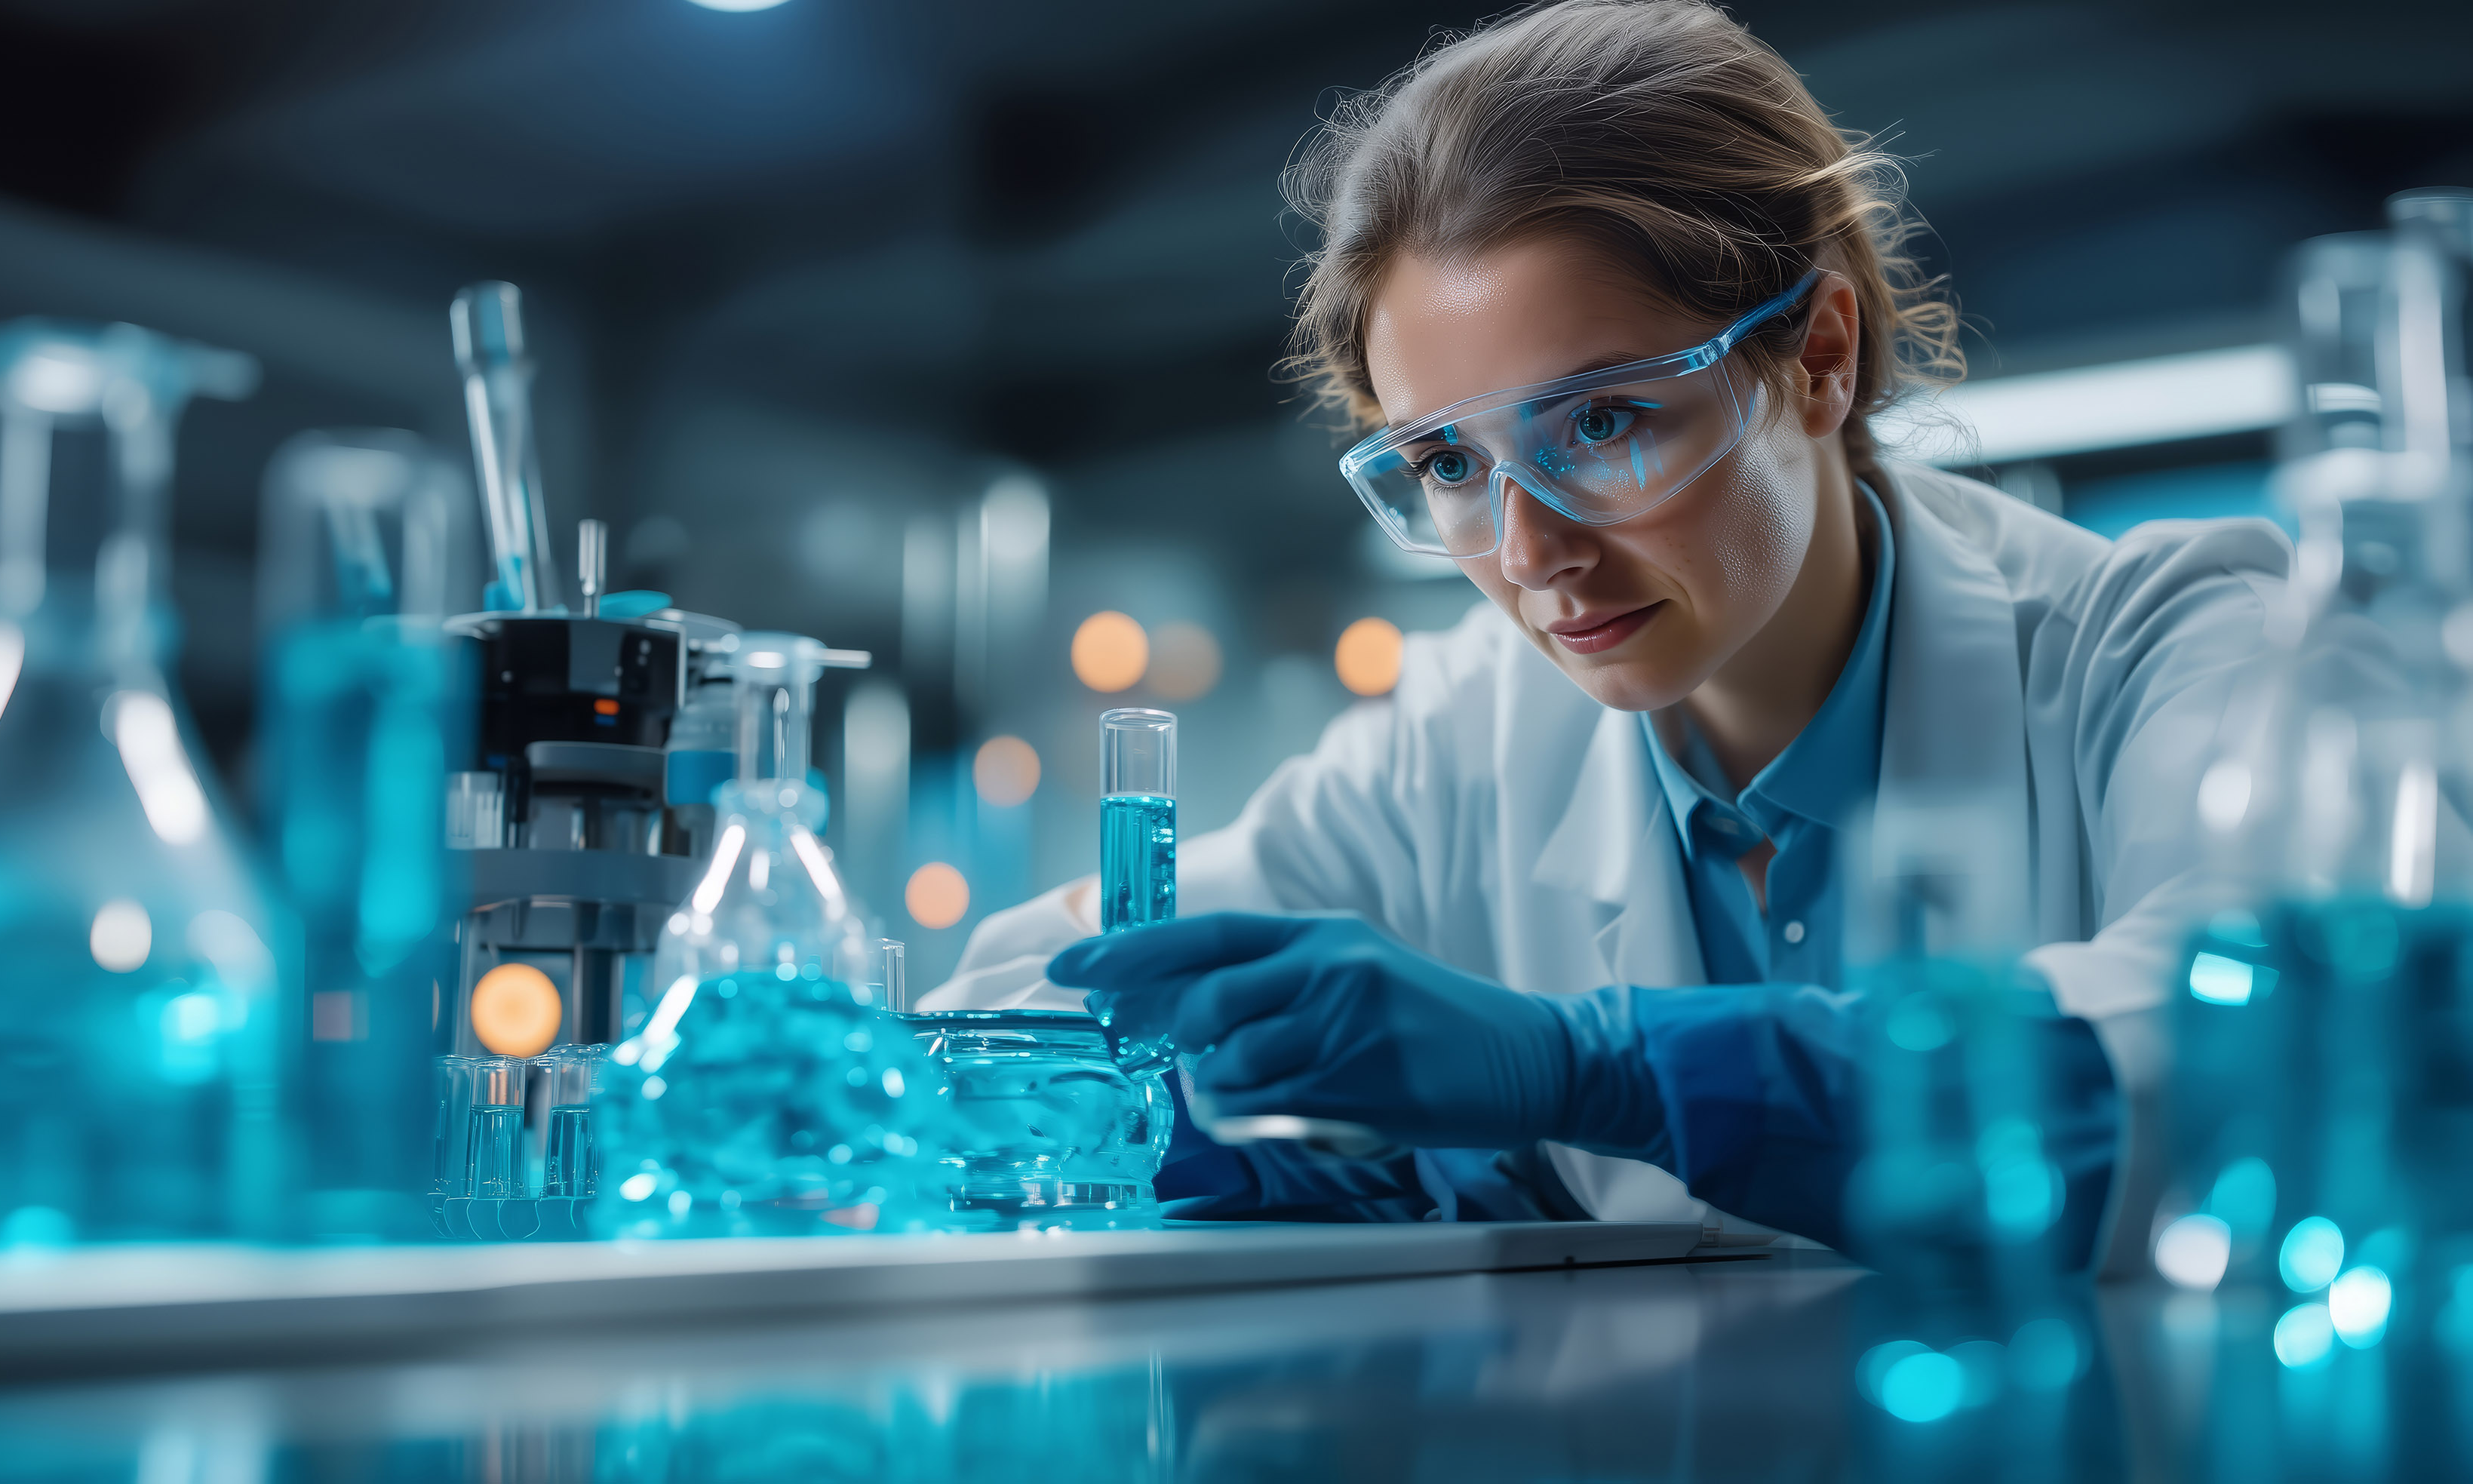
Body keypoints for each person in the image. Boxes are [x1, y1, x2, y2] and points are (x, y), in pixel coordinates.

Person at [923, 0, 2285, 1271]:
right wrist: (1283, 1137)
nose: (1530, 556)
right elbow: (1022, 1002)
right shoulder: (1447, 756)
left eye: (1603, 424)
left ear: (1815, 355)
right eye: (1450, 463)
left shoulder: (2166, 651)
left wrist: (1596, 1075)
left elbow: (2274, 1056)